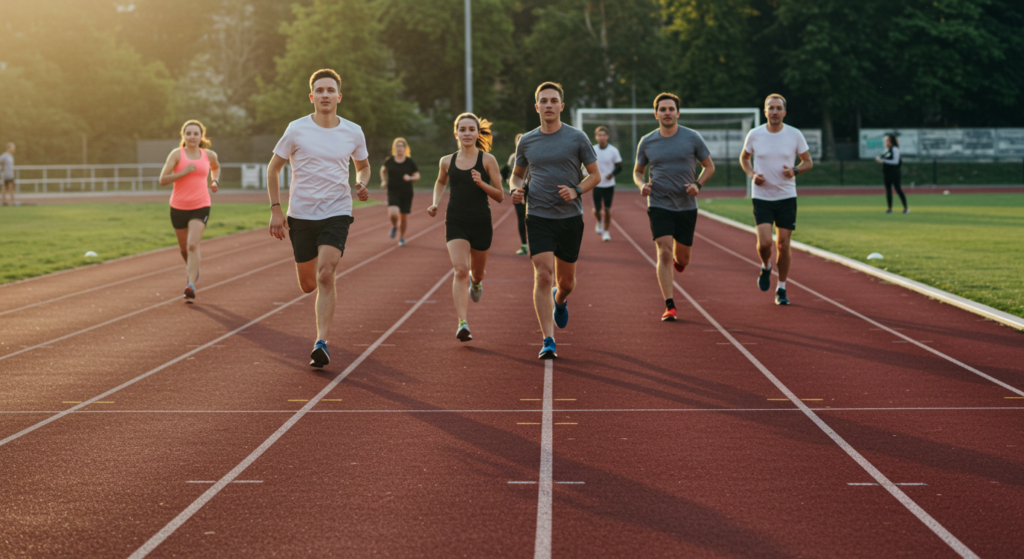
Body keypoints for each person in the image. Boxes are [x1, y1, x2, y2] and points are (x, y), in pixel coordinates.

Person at [266, 68, 372, 368]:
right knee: (308, 284)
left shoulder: (353, 130)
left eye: (330, 90)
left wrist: (362, 182)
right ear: (312, 97)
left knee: (327, 274)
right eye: (320, 90)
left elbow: (363, 165)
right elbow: (273, 168)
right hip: (301, 214)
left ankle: (321, 341)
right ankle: (319, 330)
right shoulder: (297, 129)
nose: (325, 95)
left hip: (337, 211)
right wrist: (276, 209)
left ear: (339, 96)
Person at [511, 82, 601, 359]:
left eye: (553, 101)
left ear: (562, 106)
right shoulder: (526, 140)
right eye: (543, 101)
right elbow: (517, 174)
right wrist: (516, 188)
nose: (548, 105)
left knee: (566, 283)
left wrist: (576, 190)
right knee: (543, 275)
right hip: (538, 215)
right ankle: (548, 339)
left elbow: (595, 175)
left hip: (570, 218)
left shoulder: (577, 138)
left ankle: (559, 300)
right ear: (536, 107)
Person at [634, 93, 715, 321]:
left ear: (678, 113)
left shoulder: (692, 138)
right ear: (656, 113)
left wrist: (698, 184)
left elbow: (709, 167)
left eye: (671, 109)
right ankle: (670, 304)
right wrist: (642, 185)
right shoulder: (647, 141)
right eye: (663, 109)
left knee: (682, 258)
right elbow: (637, 171)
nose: (667, 113)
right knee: (664, 250)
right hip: (659, 203)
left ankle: (680, 263)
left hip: (686, 205)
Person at [427, 113, 505, 342]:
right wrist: (435, 202)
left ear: (477, 133)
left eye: (471, 129)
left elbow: (501, 196)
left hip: (481, 222)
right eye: (463, 129)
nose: (467, 133)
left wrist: (481, 183)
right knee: (460, 270)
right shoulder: (447, 161)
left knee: (476, 274)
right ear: (456, 133)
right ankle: (463, 322)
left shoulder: (488, 160)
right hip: (456, 221)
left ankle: (477, 283)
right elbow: (441, 181)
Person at [739, 94, 813, 306]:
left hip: (786, 196)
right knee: (764, 243)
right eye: (770, 108)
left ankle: (781, 288)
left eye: (778, 108)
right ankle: (765, 265)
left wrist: (795, 170)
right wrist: (753, 175)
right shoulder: (754, 134)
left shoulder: (794, 134)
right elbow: (743, 158)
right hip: (762, 196)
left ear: (784, 112)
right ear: (765, 112)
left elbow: (808, 162)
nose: (774, 112)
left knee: (783, 244)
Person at [158, 120, 221, 303]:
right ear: (183, 135)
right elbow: (162, 180)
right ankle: (193, 269)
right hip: (178, 207)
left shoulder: (208, 155)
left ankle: (190, 284)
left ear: (201, 136)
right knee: (184, 249)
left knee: (193, 245)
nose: (192, 137)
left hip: (201, 205)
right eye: (189, 133)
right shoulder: (177, 155)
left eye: (196, 133)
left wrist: (215, 181)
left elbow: (216, 167)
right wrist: (184, 172)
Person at [380, 137, 420, 246]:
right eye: (397, 146)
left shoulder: (409, 161)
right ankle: (394, 225)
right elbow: (383, 170)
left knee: (403, 217)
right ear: (394, 148)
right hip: (393, 190)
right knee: (393, 214)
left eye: (402, 146)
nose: (400, 148)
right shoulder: (390, 160)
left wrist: (410, 178)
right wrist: (383, 181)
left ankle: (401, 237)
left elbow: (417, 176)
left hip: (406, 192)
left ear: (405, 148)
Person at [591, 126, 622, 241]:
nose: (602, 137)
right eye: (599, 135)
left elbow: (619, 167)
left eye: (604, 135)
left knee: (608, 209)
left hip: (609, 185)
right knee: (597, 210)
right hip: (597, 183)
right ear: (596, 137)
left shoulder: (613, 150)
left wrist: (612, 174)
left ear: (607, 137)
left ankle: (606, 231)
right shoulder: (592, 149)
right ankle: (599, 221)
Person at [501, 133, 529, 255]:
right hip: (518, 189)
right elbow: (510, 173)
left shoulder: (533, 154)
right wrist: (509, 181)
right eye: (518, 140)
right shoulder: (513, 157)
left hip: (532, 189)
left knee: (535, 217)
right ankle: (524, 244)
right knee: (521, 217)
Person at [876, 133, 908, 214]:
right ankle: (890, 208)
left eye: (887, 141)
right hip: (887, 172)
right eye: (886, 141)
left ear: (892, 142)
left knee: (898, 189)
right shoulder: (887, 150)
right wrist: (879, 158)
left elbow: (895, 162)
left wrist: (883, 161)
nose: (886, 142)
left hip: (894, 172)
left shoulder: (895, 149)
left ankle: (906, 208)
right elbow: (883, 157)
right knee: (888, 190)